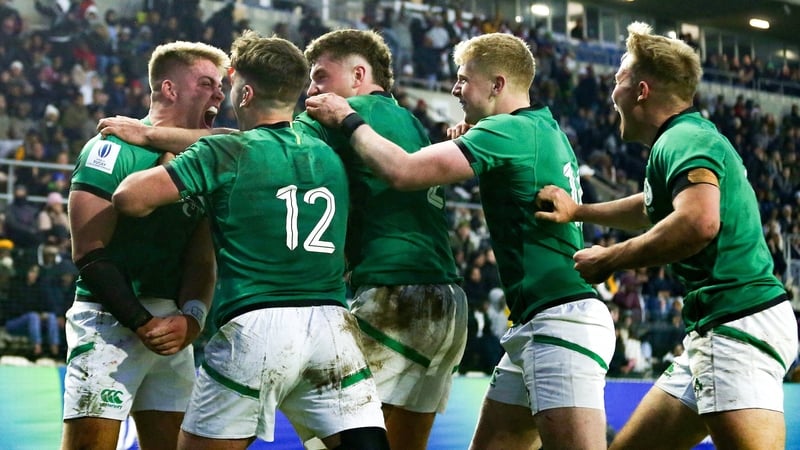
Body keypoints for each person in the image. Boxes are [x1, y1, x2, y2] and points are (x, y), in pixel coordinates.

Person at [306, 32, 615, 450]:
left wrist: (346, 117)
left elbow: (404, 172)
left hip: (560, 319)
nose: (455, 89)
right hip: (528, 319)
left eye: (463, 79)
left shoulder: (506, 132)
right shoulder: (541, 127)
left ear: (497, 84)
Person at [112, 31, 389, 450]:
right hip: (332, 325)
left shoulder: (226, 151)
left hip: (257, 325)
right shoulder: (327, 149)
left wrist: (156, 146)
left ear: (246, 93)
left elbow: (129, 198)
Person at [534, 22, 799, 450]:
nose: (611, 89)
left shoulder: (682, 139)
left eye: (618, 79)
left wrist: (611, 259)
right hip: (722, 325)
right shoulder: (682, 139)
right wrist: (579, 210)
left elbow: (698, 223)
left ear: (641, 90)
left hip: (734, 323)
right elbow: (651, 206)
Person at [294, 29, 468, 450]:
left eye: (320, 76)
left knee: (312, 411)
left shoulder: (339, 114)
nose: (312, 91)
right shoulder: (409, 119)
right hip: (449, 302)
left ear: (358, 74)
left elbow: (259, 144)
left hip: (395, 294)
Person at [61, 40, 224, 450]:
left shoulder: (208, 159)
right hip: (108, 322)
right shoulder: (112, 147)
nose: (220, 94)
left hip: (171, 327)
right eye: (207, 84)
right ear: (169, 89)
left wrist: (193, 318)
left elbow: (202, 260)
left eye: (221, 87)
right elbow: (89, 253)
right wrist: (141, 322)